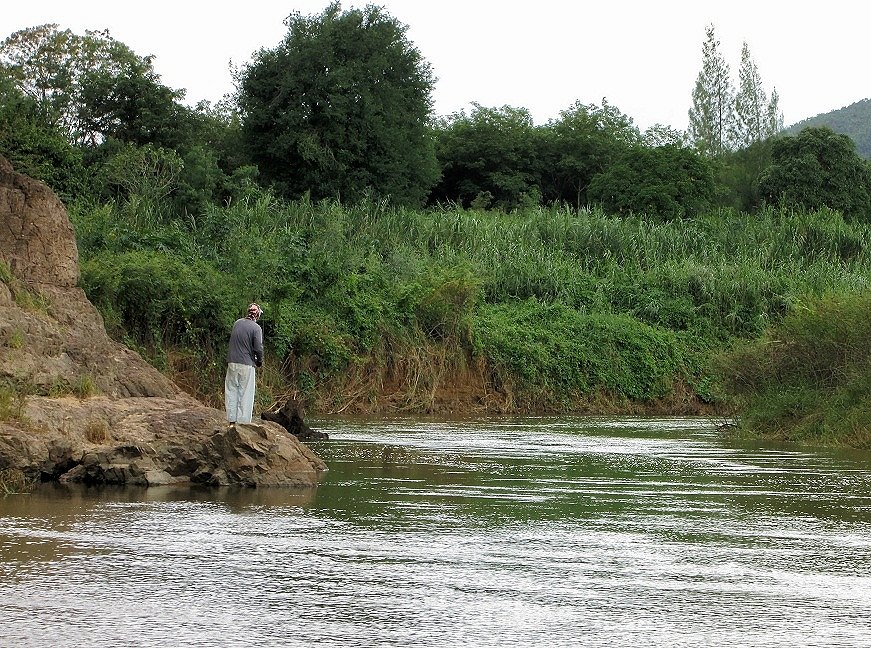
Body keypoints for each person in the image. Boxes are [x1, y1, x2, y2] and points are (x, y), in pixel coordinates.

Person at [225, 303, 264, 425]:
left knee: (231, 390)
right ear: (257, 315)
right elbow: (258, 348)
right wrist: (259, 361)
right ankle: (243, 422)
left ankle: (232, 420)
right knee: (246, 392)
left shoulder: (237, 323)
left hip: (232, 362)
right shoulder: (256, 328)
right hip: (246, 364)